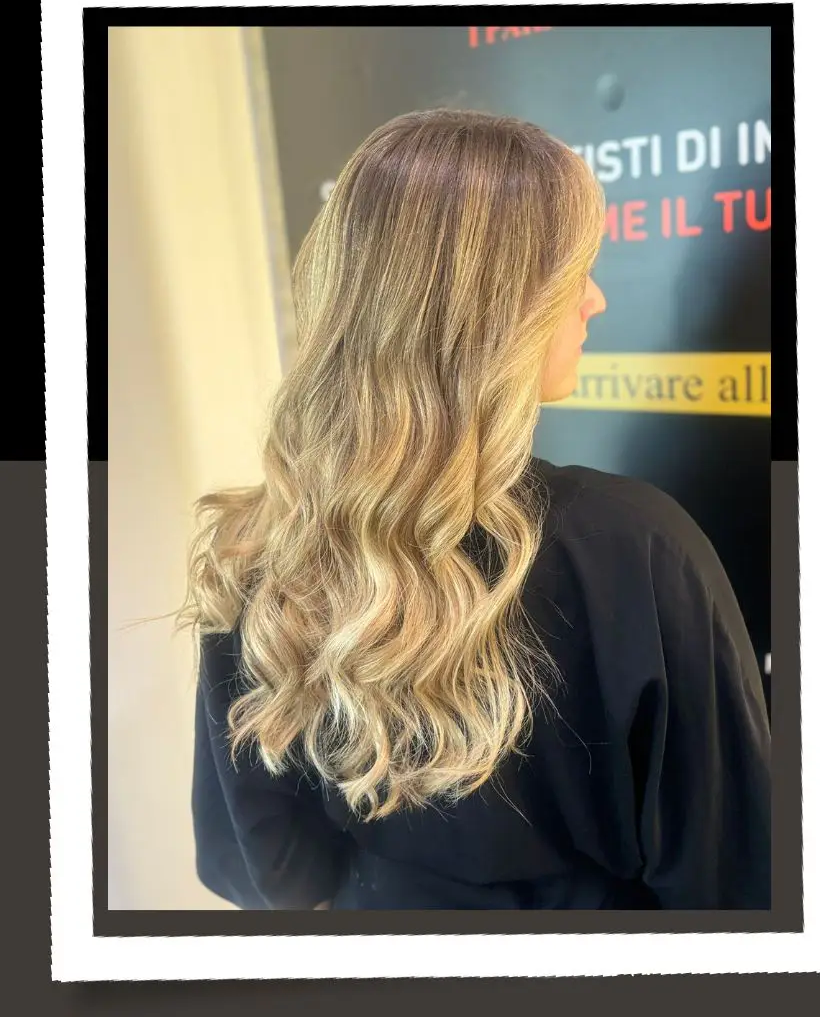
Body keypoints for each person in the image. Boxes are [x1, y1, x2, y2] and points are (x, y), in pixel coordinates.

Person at [180, 108, 771, 911]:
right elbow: (735, 885)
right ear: (499, 309)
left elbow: (266, 871)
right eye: (577, 273)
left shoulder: (260, 547)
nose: (595, 301)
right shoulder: (637, 552)